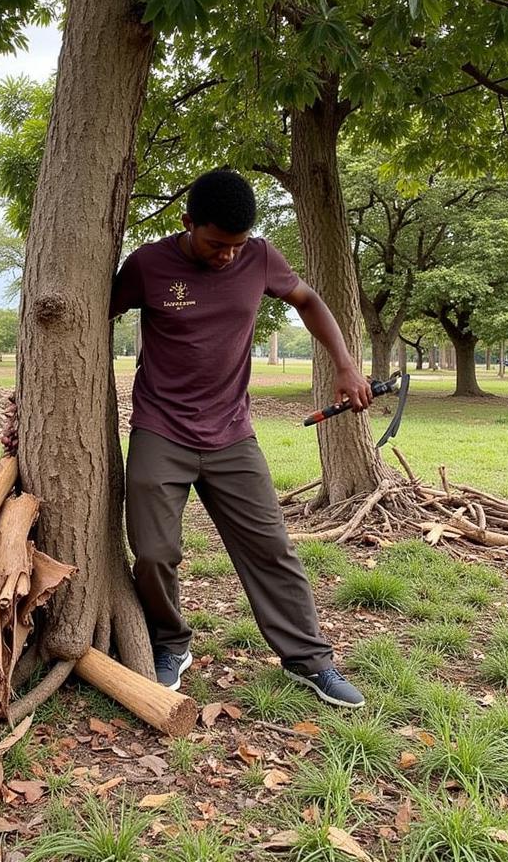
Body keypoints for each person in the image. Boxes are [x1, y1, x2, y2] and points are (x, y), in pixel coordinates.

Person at [109, 169, 372, 707]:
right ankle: (169, 644)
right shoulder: (149, 266)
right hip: (162, 428)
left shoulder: (260, 257)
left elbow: (308, 300)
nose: (228, 255)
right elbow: (86, 317)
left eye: (237, 245)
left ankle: (310, 660)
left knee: (271, 548)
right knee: (155, 551)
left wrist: (345, 365)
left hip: (232, 432)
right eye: (215, 244)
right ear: (187, 225)